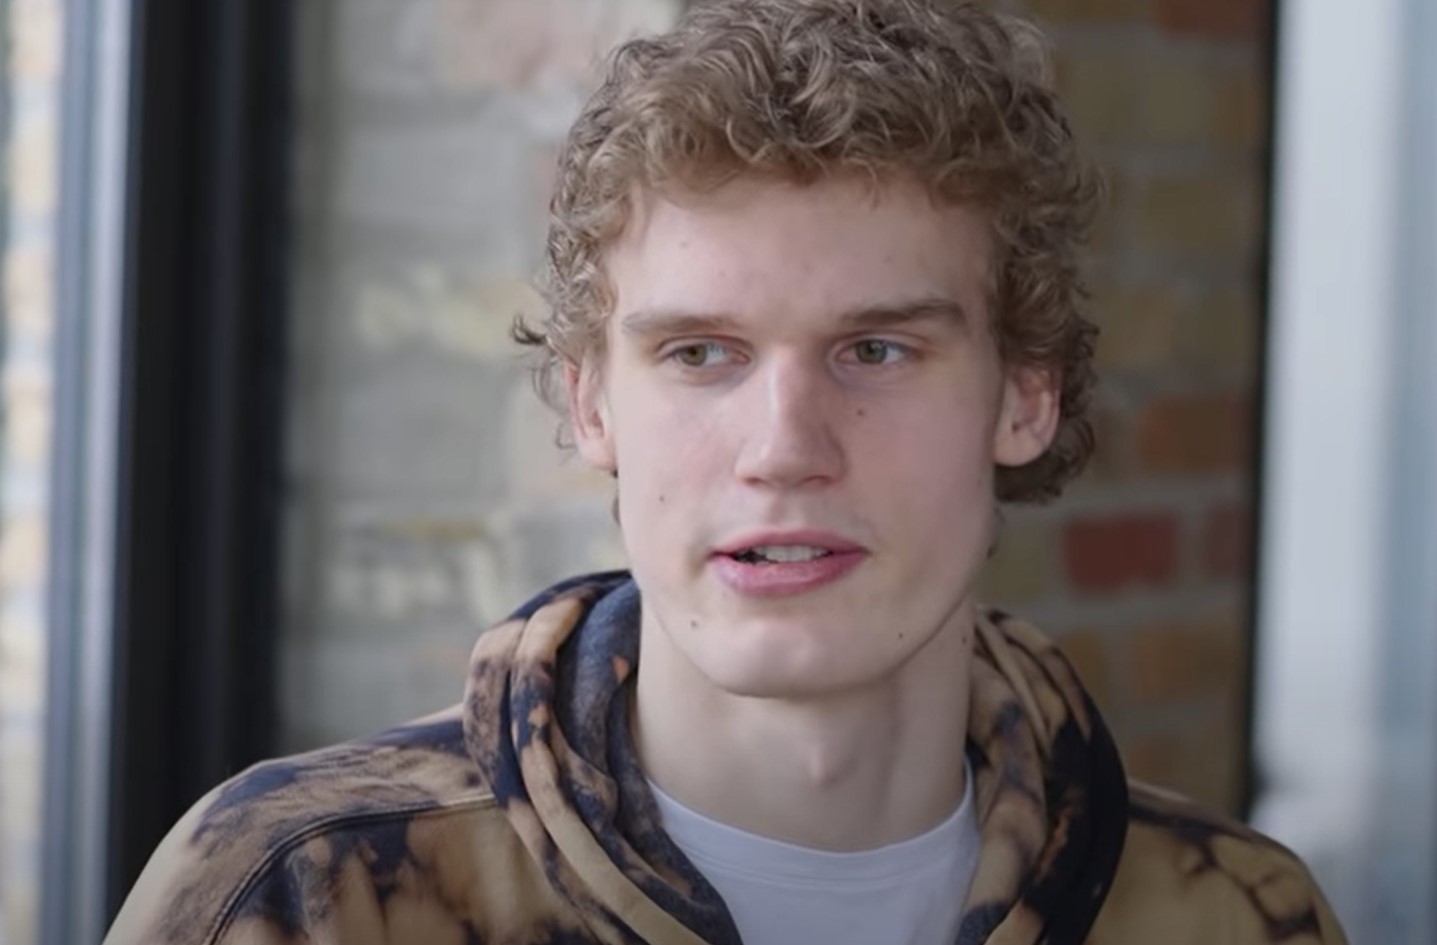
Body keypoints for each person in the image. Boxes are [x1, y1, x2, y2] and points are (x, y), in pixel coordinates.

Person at [103, 1, 1348, 943]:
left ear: (1027, 395)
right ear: (592, 404)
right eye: (700, 354)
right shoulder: (310, 898)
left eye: (877, 350)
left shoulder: (1235, 913)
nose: (785, 447)